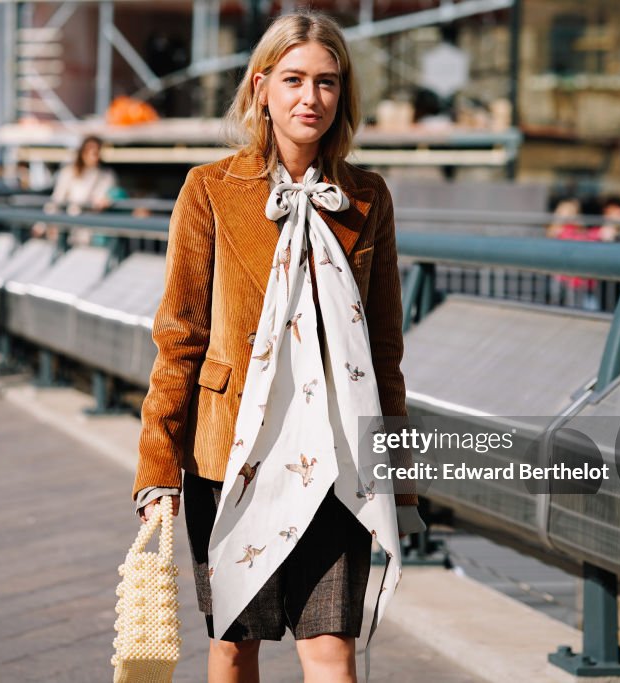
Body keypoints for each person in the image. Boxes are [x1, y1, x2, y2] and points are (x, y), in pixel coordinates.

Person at [133, 12, 424, 682]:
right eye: (294, 79)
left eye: (326, 82)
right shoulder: (210, 189)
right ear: (262, 87)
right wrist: (157, 467)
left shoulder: (365, 196)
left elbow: (382, 351)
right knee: (236, 646)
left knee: (331, 650)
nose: (310, 98)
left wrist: (395, 470)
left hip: (335, 459)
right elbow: (179, 338)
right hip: (230, 456)